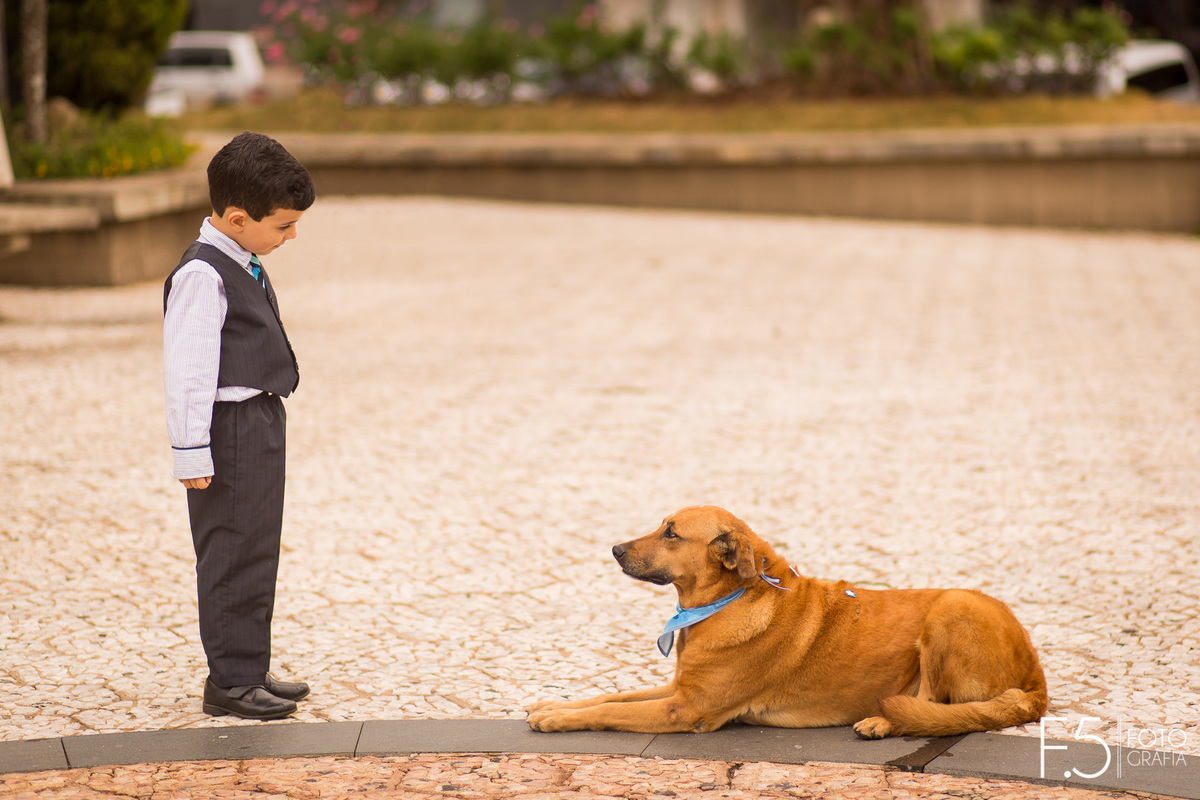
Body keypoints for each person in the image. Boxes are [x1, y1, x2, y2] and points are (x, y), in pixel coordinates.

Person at [163, 131, 315, 720]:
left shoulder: (239, 256)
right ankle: (228, 681)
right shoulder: (203, 275)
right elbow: (188, 369)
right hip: (227, 427)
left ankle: (248, 667)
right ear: (235, 217)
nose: (291, 235)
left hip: (257, 419)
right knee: (230, 550)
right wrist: (191, 453)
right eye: (282, 225)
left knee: (257, 547)